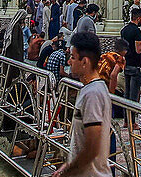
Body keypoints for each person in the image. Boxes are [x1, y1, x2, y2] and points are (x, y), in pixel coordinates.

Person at [52, 31, 112, 177]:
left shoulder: (93, 94)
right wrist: (68, 164)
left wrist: (68, 173)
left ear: (85, 62)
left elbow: (92, 148)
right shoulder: (88, 89)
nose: (69, 62)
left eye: (73, 57)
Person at [120, 8, 141, 101]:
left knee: (127, 94)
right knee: (134, 95)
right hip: (136, 65)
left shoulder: (124, 30)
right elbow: (138, 50)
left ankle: (126, 115)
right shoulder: (136, 31)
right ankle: (131, 115)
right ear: (139, 18)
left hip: (127, 63)